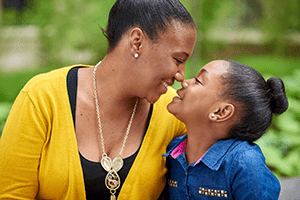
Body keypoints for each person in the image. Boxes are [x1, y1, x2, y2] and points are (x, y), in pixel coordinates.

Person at [0, 0, 196, 199]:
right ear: (137, 41)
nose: (181, 75)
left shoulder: (173, 113)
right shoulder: (42, 98)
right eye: (178, 60)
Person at [163, 60, 288, 199]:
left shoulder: (245, 164)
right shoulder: (172, 152)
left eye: (198, 81)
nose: (184, 82)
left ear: (220, 112)